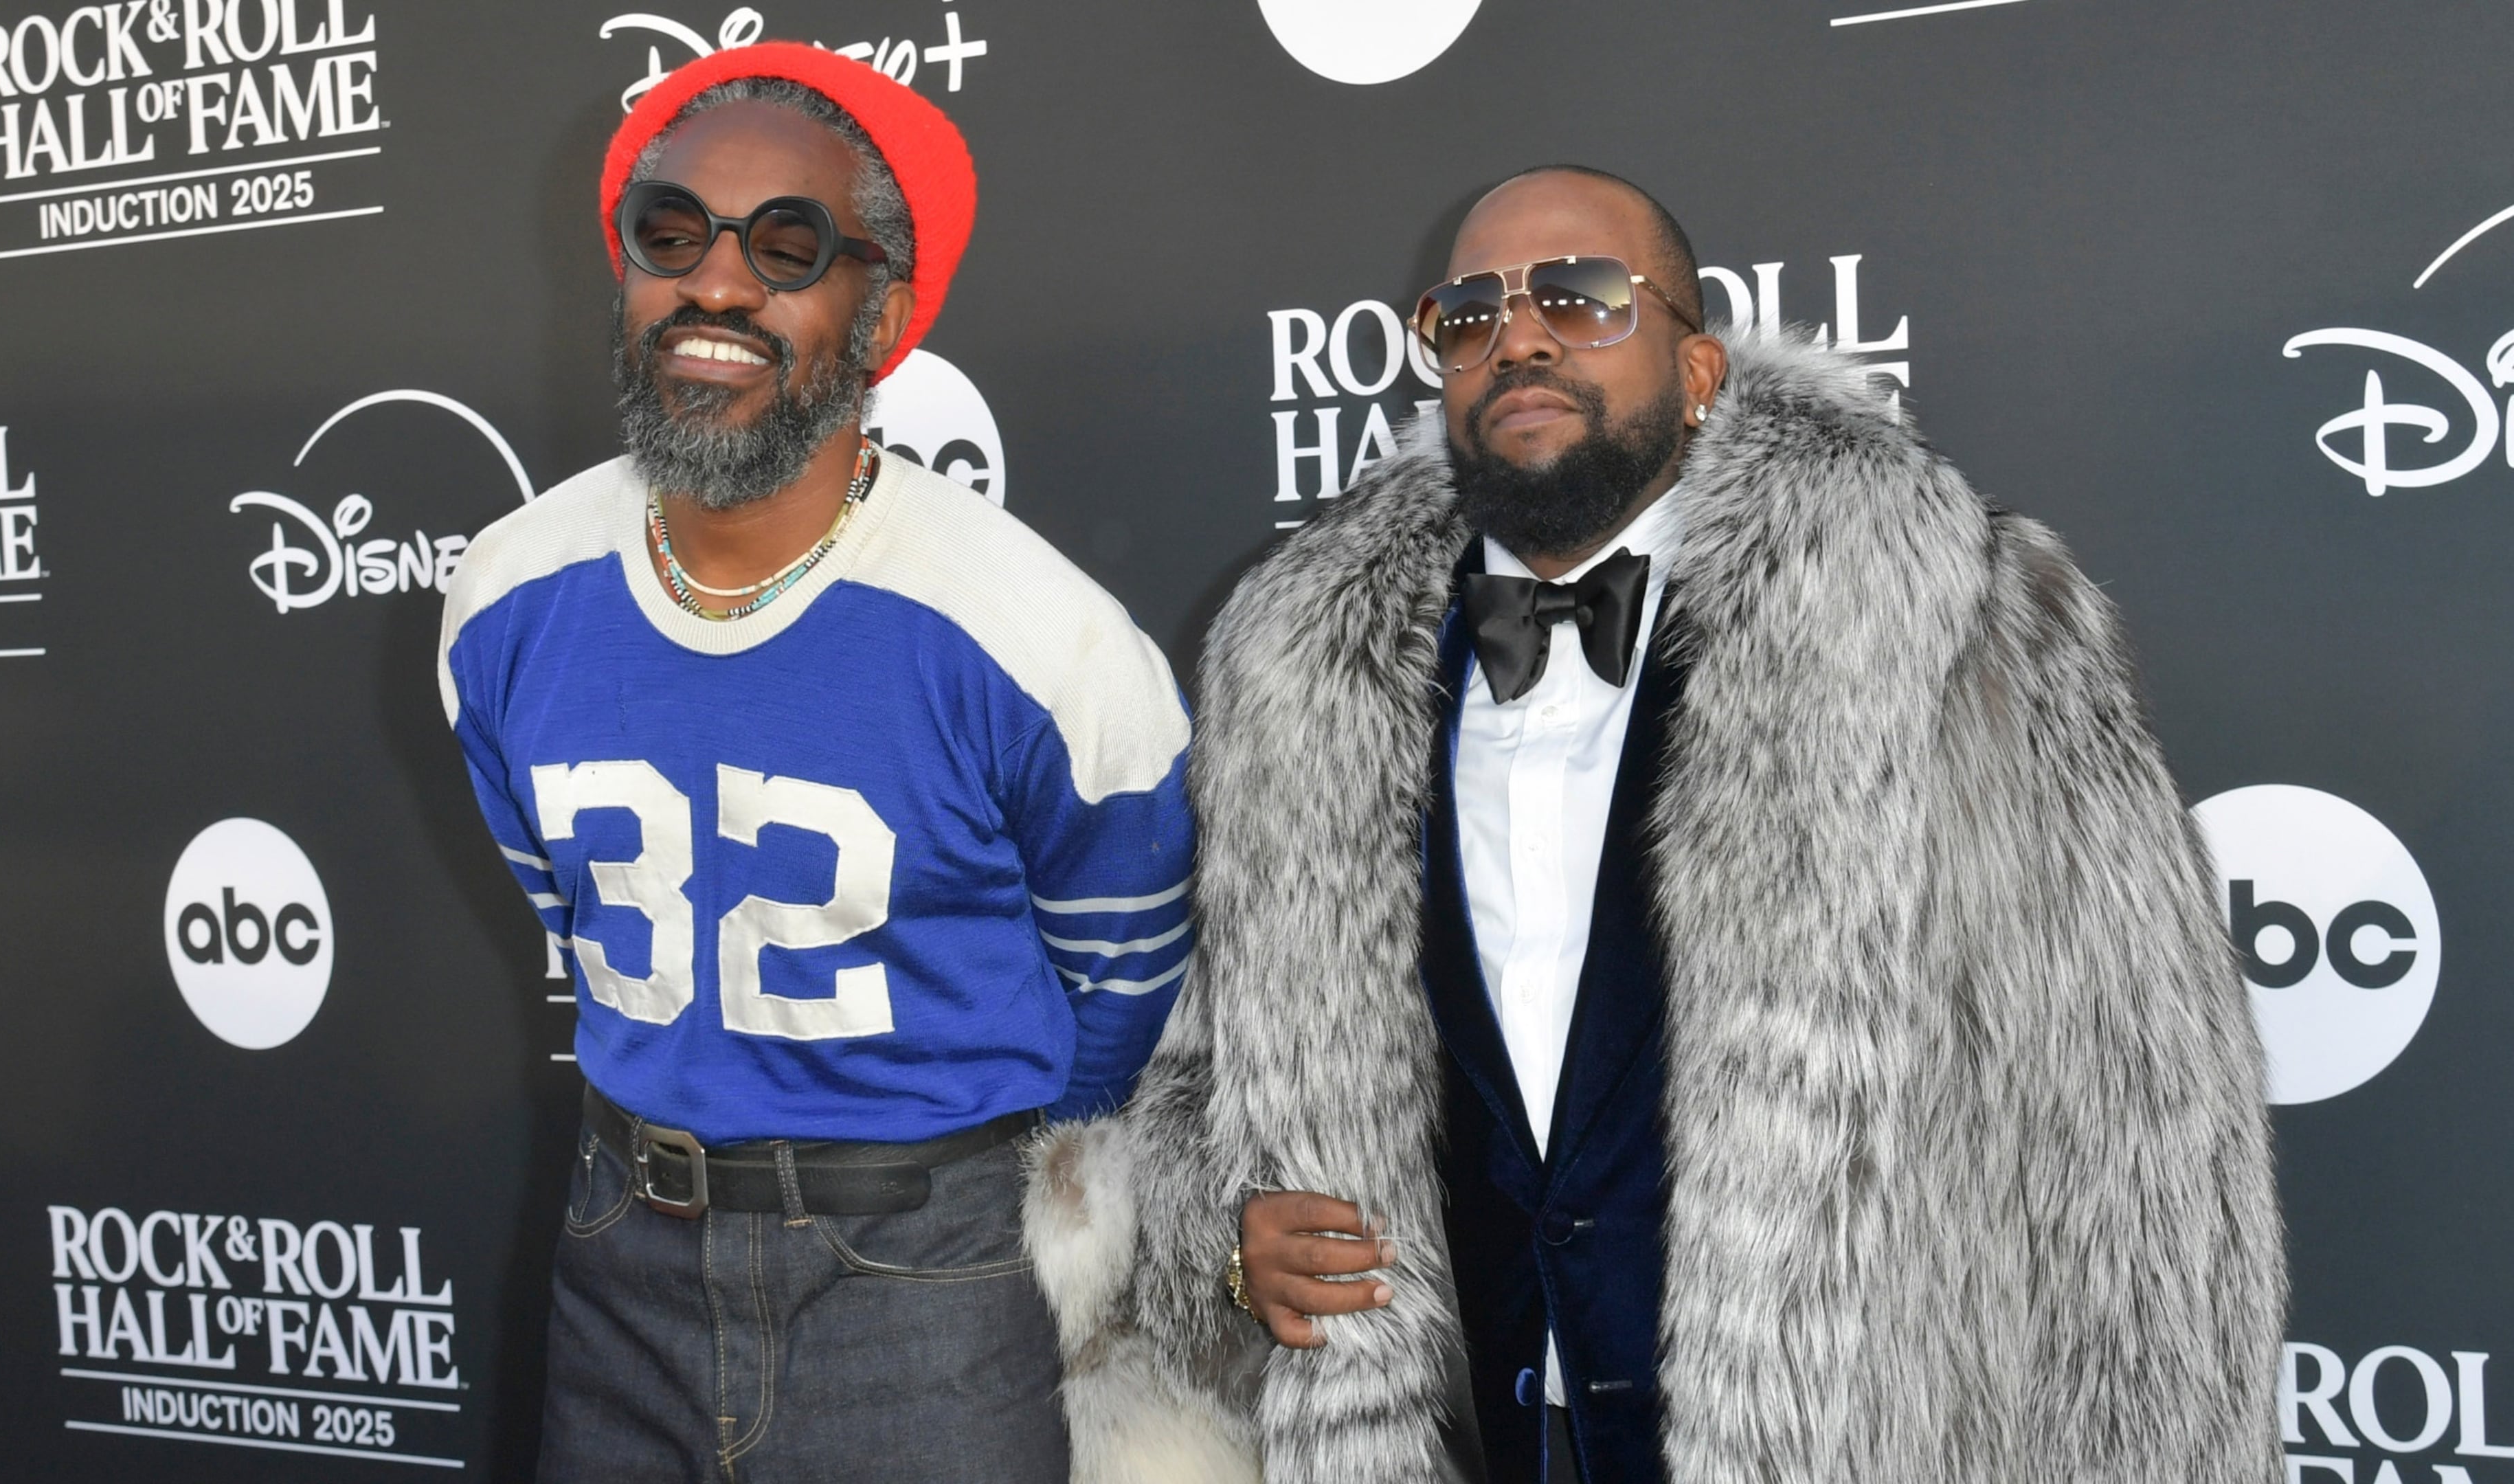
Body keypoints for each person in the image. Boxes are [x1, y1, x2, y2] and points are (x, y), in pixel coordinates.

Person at [1026, 167, 2284, 1483]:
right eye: (1468, 314)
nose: (1519, 336)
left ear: (1698, 368)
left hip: (1841, 1437)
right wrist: (1219, 1235)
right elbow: (1202, 1070)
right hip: (1464, 1433)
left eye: (1580, 297)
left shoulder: (1956, 628)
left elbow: (2142, 1121)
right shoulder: (1297, 681)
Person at [437, 45, 1193, 1483]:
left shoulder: (1040, 642)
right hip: (618, 1251)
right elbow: (564, 906)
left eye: (789, 245)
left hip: (931, 1282)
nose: (717, 286)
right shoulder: (506, 594)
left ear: (885, 309)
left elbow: (1122, 986)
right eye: (672, 234)